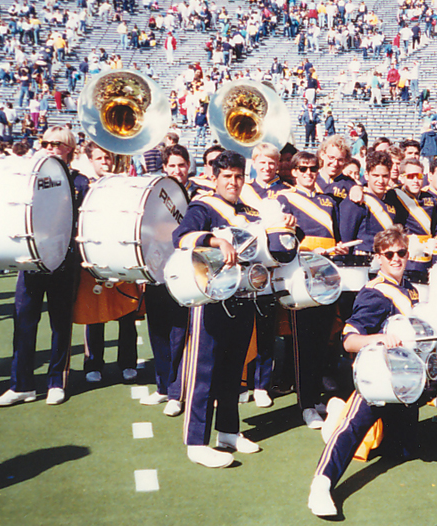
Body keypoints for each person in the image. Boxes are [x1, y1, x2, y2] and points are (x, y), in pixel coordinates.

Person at [172, 151, 298, 467]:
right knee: (204, 370)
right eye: (227, 176)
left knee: (234, 369)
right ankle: (195, 441)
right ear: (215, 178)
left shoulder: (251, 211)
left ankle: (227, 430)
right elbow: (182, 237)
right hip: (211, 298)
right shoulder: (203, 206)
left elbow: (274, 249)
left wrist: (287, 228)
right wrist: (215, 241)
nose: (233, 182)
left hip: (244, 297)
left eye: (238, 176)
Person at [308, 226, 420, 517]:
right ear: (378, 258)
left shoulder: (409, 289)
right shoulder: (374, 293)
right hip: (379, 379)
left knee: (405, 451)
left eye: (402, 252)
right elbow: (349, 340)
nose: (397, 258)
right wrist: (378, 338)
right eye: (389, 254)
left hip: (404, 383)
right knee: (351, 430)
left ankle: (341, 412)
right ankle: (321, 485)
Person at [0, 127, 89, 407]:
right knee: (23, 321)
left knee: (60, 322)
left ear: (69, 148)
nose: (49, 147)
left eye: (56, 144)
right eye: (45, 143)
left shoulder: (79, 181)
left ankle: (56, 381)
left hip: (63, 260)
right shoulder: (29, 179)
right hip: (31, 259)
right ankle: (21, 385)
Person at [278, 151, 348, 428]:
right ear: (294, 172)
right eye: (303, 169)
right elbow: (282, 241)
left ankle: (315, 397)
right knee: (302, 345)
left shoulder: (328, 200)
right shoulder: (284, 199)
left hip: (326, 275)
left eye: (313, 168)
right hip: (301, 276)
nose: (309, 173)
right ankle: (305, 403)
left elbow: (335, 235)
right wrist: (309, 249)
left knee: (322, 342)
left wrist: (337, 247)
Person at [75, 143, 139, 385]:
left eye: (108, 157)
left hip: (120, 254)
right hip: (92, 255)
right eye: (99, 158)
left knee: (126, 311)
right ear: (90, 160)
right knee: (94, 314)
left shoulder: (124, 184)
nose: (105, 162)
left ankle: (128, 362)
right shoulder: (84, 186)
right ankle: (93, 363)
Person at [141, 144, 196, 416]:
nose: (177, 170)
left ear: (189, 166)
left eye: (181, 165)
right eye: (172, 166)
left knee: (179, 334)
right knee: (158, 332)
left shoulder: (198, 193)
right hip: (156, 269)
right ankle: (163, 387)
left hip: (185, 273)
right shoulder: (153, 192)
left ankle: (177, 392)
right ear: (164, 168)